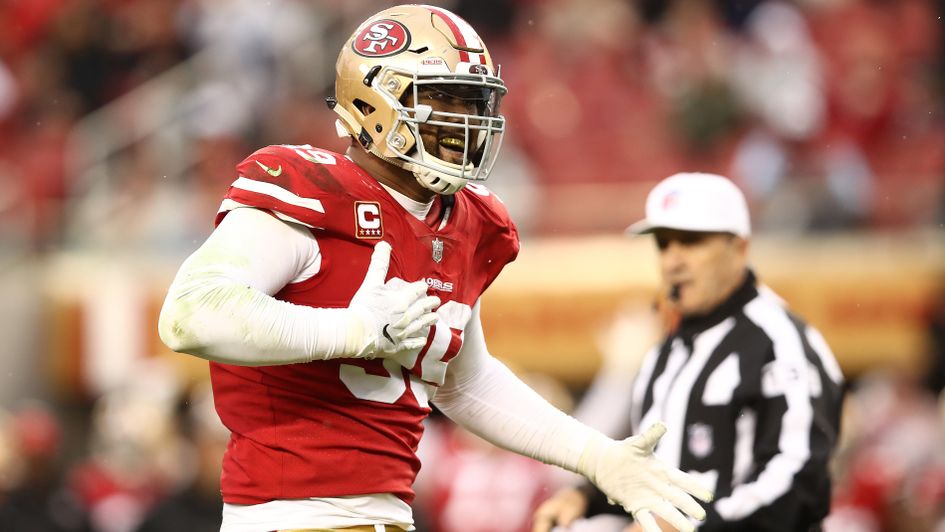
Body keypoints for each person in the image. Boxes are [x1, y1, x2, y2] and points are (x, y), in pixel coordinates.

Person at [157, 5, 713, 532]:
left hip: (389, 515)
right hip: (288, 516)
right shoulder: (312, 189)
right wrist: (351, 330)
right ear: (374, 102)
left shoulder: (465, 222)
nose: (467, 120)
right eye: (445, 98)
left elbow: (466, 382)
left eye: (475, 102)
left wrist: (596, 456)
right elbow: (190, 313)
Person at [532, 173, 845, 532]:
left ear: (739, 247)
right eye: (664, 244)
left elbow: (796, 483)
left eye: (691, 242)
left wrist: (685, 528)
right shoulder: (668, 351)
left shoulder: (780, 342)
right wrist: (585, 497)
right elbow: (658, 468)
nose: (672, 261)